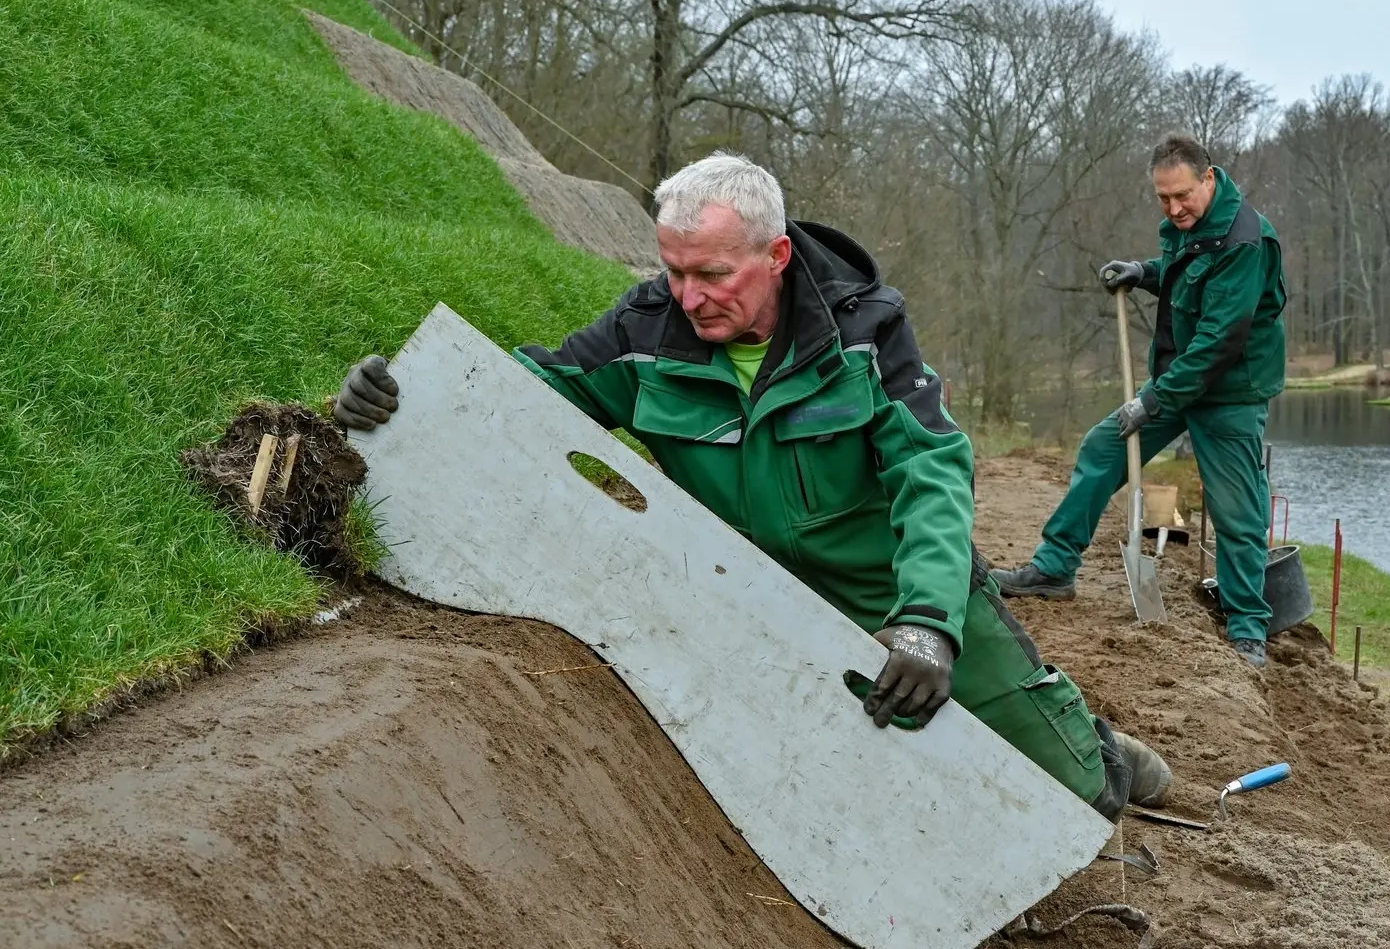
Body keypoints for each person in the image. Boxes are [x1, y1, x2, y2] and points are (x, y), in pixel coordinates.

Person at [333, 152, 1170, 819]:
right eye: (674, 272)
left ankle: (1097, 746)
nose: (689, 298)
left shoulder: (866, 333)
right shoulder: (644, 332)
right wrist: (403, 395)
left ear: (773, 257)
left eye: (714, 276)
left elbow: (932, 474)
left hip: (886, 588)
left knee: (1078, 797)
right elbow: (520, 399)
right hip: (747, 598)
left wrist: (924, 627)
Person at [993, 135, 1287, 669]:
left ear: (1209, 179)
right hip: (1178, 381)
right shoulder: (1190, 228)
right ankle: (1055, 567)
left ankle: (1247, 628)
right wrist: (1144, 273)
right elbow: (1187, 276)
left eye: (1183, 196)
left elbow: (1220, 340)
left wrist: (1152, 400)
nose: (1174, 208)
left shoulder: (1245, 241)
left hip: (1228, 392)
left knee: (1237, 511)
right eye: (1163, 199)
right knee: (1103, 450)